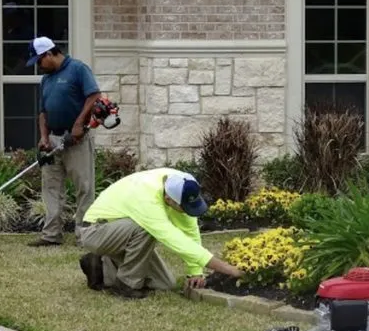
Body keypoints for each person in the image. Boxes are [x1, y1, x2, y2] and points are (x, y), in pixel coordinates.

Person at [77, 168, 245, 299]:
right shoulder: (148, 200)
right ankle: (126, 285)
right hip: (95, 231)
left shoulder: (182, 182)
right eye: (183, 208)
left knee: (166, 284)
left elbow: (190, 230)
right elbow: (178, 242)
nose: (187, 212)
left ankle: (100, 266)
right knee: (144, 228)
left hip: (121, 233)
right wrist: (228, 269)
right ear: (168, 200)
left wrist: (195, 271)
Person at [25, 36, 99, 247]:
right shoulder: (46, 80)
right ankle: (51, 234)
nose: (38, 67)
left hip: (77, 140)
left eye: (39, 61)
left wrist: (78, 124)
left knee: (84, 187)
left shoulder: (77, 69)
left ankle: (84, 235)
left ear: (49, 54)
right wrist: (44, 137)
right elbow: (43, 112)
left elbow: (94, 96)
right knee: (51, 187)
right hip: (54, 139)